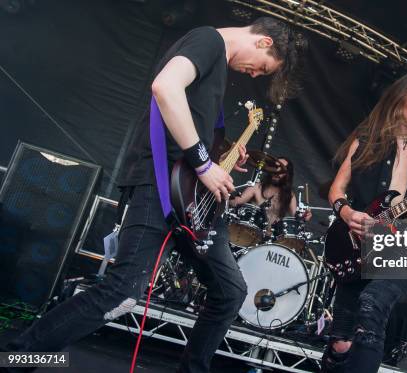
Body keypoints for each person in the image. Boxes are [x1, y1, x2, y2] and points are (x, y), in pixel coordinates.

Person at [3, 17, 307, 373]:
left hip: (194, 203)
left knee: (229, 292)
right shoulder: (208, 40)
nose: (256, 75)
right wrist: (205, 163)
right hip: (161, 187)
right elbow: (165, 87)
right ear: (264, 42)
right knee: (121, 292)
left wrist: (219, 148)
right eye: (263, 70)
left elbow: (185, 121)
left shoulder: (217, 67)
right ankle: (16, 358)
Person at [323, 70, 407, 372]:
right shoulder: (367, 139)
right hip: (358, 246)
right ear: (398, 100)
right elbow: (337, 189)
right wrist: (348, 214)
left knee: (372, 304)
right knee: (341, 342)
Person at [230, 157, 312, 225]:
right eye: (275, 167)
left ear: (287, 174)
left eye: (282, 169)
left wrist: (304, 216)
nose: (277, 171)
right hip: (249, 230)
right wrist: (227, 195)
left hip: (270, 238)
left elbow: (296, 217)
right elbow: (237, 201)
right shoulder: (257, 187)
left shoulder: (289, 194)